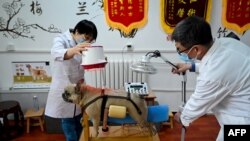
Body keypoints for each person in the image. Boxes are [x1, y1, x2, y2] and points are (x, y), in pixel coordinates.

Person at [171, 16, 250, 141]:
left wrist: (182, 116)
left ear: (196, 49)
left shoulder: (212, 75)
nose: (181, 54)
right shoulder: (225, 43)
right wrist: (189, 66)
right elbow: (215, 66)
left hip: (243, 123)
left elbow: (197, 102)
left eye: (180, 50)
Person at [45, 19, 98, 141]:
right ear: (77, 31)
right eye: (87, 37)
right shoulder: (61, 39)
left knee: (78, 117)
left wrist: (98, 61)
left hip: (79, 87)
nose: (88, 41)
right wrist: (73, 50)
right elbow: (56, 53)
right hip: (65, 87)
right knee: (68, 120)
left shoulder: (84, 45)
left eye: (91, 39)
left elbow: (84, 64)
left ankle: (81, 138)